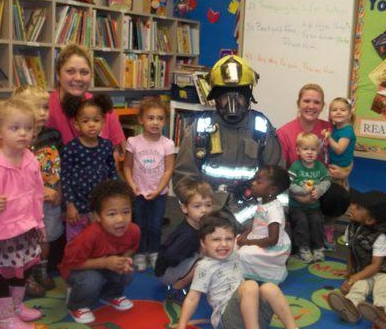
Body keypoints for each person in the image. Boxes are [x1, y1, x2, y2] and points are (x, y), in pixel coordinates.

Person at [172, 55, 282, 225]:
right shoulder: (200, 128)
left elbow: (277, 179)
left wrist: (276, 220)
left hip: (251, 217)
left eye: (239, 96)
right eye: (225, 97)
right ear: (216, 98)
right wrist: (200, 209)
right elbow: (183, 178)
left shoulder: (261, 127)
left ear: (248, 97)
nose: (233, 104)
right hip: (207, 214)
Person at [176, 211, 298, 329]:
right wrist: (181, 326)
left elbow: (242, 236)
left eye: (228, 239)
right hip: (227, 320)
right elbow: (192, 298)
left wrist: (253, 230)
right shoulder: (204, 266)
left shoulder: (233, 251)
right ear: (203, 243)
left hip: (252, 315)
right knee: (250, 285)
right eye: (216, 239)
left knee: (270, 288)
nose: (224, 244)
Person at [277, 84, 351, 250]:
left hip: (321, 185)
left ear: (323, 106)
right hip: (295, 186)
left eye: (316, 102)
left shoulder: (330, 130)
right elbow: (280, 172)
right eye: (307, 101)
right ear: (298, 103)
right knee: (297, 244)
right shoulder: (284, 133)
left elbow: (345, 155)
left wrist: (346, 172)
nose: (311, 106)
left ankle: (326, 226)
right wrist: (296, 194)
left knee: (340, 196)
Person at [59, 179, 139, 324]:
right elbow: (72, 264)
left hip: (106, 266)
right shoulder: (89, 236)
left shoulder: (133, 230)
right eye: (112, 214)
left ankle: (110, 295)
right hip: (77, 269)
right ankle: (77, 304)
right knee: (92, 280)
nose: (120, 219)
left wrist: (125, 260)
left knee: (129, 271)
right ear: (97, 216)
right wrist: (105, 263)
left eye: (126, 212)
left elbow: (131, 248)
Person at [12, 85, 64, 297]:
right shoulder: (19, 141)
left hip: (51, 203)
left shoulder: (53, 135)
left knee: (46, 238)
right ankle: (28, 276)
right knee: (26, 241)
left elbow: (61, 167)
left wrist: (58, 191)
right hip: (26, 205)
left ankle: (42, 270)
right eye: (36, 108)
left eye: (45, 107)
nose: (43, 112)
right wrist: (41, 194)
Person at [0, 99, 44, 328]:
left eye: (28, 128)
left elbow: (37, 193)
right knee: (2, 275)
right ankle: (4, 317)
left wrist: (40, 223)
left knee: (22, 269)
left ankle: (16, 307)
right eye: (15, 128)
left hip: (26, 228)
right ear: (0, 131)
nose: (23, 133)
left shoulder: (31, 159)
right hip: (1, 233)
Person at [327, 190, 386, 329]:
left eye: (358, 207)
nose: (352, 207)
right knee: (359, 287)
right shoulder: (351, 226)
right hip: (363, 271)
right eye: (354, 204)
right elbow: (349, 249)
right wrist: (349, 271)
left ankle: (382, 314)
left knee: (384, 290)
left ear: (370, 220)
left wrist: (353, 278)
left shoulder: (380, 236)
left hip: (383, 272)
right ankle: (350, 307)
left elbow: (376, 266)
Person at [123, 98, 175, 272]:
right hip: (138, 193)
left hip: (158, 194)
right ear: (141, 120)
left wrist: (159, 190)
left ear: (165, 122)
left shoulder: (167, 144)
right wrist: (132, 186)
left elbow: (168, 170)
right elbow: (127, 166)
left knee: (155, 224)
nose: (155, 122)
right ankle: (139, 252)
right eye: (151, 118)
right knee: (139, 224)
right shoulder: (133, 142)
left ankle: (153, 251)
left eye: (160, 118)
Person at [46, 43, 125, 156]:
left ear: (91, 75)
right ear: (58, 74)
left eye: (84, 72)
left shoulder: (102, 107)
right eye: (70, 71)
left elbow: (114, 156)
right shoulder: (44, 108)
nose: (78, 78)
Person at [61, 94, 119, 241]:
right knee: (77, 242)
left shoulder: (106, 146)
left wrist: (114, 199)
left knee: (98, 239)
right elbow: (65, 178)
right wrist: (70, 205)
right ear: (76, 124)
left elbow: (112, 173)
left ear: (104, 122)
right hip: (78, 206)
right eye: (85, 121)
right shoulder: (71, 148)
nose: (91, 124)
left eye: (96, 120)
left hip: (100, 205)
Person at [154, 178, 214, 304]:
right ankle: (176, 289)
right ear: (185, 208)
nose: (204, 210)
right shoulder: (186, 235)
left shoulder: (197, 224)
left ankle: (188, 276)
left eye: (208, 205)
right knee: (203, 263)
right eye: (197, 206)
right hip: (166, 273)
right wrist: (195, 256)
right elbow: (170, 256)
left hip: (174, 266)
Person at [237, 165, 291, 284]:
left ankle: (271, 273)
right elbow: (256, 223)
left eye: (259, 182)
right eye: (254, 179)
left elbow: (273, 240)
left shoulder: (273, 210)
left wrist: (247, 242)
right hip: (258, 238)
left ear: (271, 189)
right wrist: (244, 235)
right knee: (233, 244)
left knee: (243, 255)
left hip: (270, 247)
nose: (253, 183)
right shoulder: (263, 202)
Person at [288, 133, 331, 263]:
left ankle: (318, 247)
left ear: (318, 151)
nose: (309, 152)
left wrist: (319, 190)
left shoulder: (320, 167)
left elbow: (327, 180)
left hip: (314, 206)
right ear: (298, 151)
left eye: (313, 149)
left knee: (317, 222)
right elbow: (289, 184)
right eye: (305, 149)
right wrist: (302, 191)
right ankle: (304, 248)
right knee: (301, 224)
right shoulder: (295, 167)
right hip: (297, 207)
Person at [323, 97, 356, 190]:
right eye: (334, 110)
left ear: (349, 115)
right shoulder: (335, 128)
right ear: (330, 115)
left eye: (343, 110)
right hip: (335, 163)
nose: (338, 112)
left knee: (338, 190)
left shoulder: (347, 130)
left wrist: (328, 137)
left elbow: (339, 150)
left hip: (340, 166)